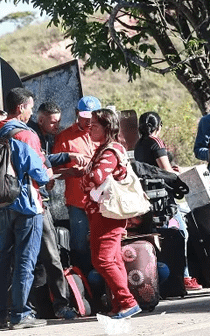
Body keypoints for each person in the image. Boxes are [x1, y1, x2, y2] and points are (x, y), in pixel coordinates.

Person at [0, 88, 54, 330]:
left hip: (4, 203)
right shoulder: (26, 136)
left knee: (1, 260)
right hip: (27, 205)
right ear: (21, 108)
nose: (31, 113)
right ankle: (21, 313)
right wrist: (48, 173)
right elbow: (37, 172)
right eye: (30, 108)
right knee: (25, 260)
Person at [83, 108, 142, 319]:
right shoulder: (106, 149)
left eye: (95, 125)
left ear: (107, 128)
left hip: (107, 214)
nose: (90, 128)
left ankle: (127, 302)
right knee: (113, 259)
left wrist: (85, 175)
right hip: (103, 213)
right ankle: (120, 304)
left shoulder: (109, 152)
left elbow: (96, 177)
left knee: (103, 260)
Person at [133, 111, 202, 291]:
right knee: (181, 233)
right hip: (164, 198)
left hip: (149, 198)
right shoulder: (156, 143)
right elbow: (166, 171)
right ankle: (184, 276)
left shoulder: (139, 144)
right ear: (159, 127)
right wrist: (175, 171)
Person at [28, 101, 81, 320]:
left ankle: (39, 307)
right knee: (50, 255)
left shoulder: (44, 136)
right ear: (41, 120)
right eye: (53, 122)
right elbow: (41, 161)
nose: (57, 126)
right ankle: (60, 304)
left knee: (37, 258)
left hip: (35, 199)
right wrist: (68, 157)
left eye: (59, 121)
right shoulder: (31, 135)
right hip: (35, 203)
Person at [51, 95, 102, 276]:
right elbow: (53, 172)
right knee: (79, 245)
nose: (88, 121)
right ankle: (85, 287)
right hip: (77, 202)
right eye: (84, 117)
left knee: (103, 243)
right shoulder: (64, 138)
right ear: (76, 114)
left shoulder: (104, 135)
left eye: (92, 117)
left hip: (103, 202)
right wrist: (71, 172)